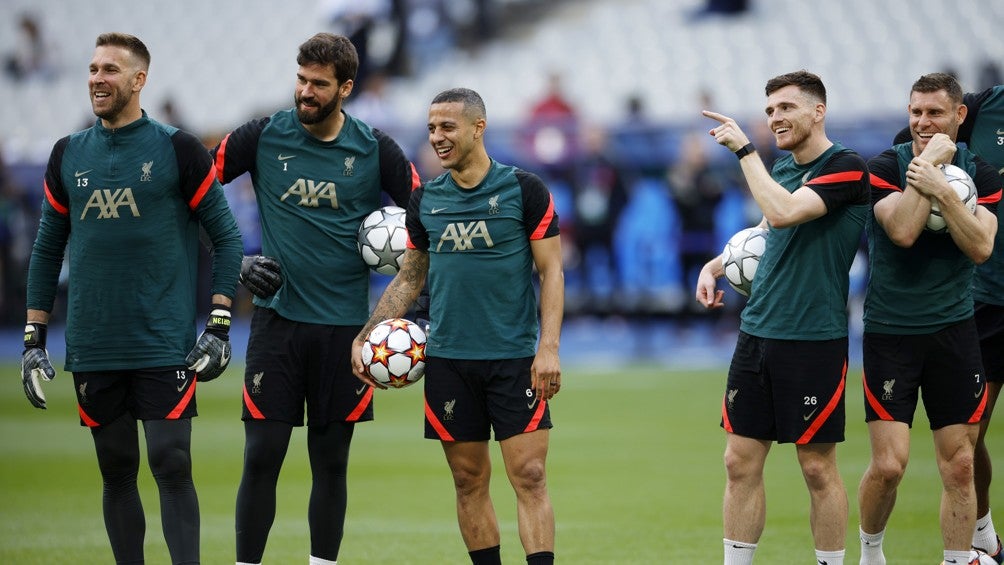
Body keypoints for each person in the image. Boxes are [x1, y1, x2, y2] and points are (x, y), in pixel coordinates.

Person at [19, 32, 243, 564]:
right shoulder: (67, 154)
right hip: (94, 343)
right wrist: (33, 336)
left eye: (110, 70)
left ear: (139, 80)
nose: (97, 78)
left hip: (164, 341)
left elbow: (228, 236)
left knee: (170, 461)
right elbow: (48, 246)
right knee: (116, 470)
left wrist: (218, 323)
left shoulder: (177, 148)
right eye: (93, 69)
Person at [211, 32, 417, 565]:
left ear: (345, 88)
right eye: (301, 79)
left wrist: (402, 307)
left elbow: (425, 217)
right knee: (262, 458)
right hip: (277, 327)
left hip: (348, 335)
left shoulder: (376, 150)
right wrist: (237, 262)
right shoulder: (260, 137)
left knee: (331, 464)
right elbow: (194, 197)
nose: (305, 91)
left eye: (318, 84)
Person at [351, 87, 564, 565]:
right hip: (448, 360)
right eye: (431, 129)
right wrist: (369, 334)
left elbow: (552, 272)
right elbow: (410, 276)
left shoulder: (524, 190)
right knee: (468, 481)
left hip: (513, 359)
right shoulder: (425, 199)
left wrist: (547, 347)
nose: (437, 138)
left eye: (447, 127)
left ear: (477, 128)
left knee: (529, 475)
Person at [696, 70, 871, 565]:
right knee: (739, 461)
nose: (776, 118)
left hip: (813, 338)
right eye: (770, 110)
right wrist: (716, 265)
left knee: (817, 467)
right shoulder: (786, 165)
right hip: (757, 333)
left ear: (818, 111)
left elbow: (787, 211)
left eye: (787, 108)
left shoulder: (846, 166)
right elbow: (768, 227)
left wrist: (744, 152)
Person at [858, 73, 1001, 565]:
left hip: (955, 332)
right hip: (890, 333)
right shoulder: (882, 166)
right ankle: (871, 552)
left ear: (959, 116)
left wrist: (941, 186)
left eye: (935, 112)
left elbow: (981, 246)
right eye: (916, 112)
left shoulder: (981, 174)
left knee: (960, 465)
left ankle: (958, 560)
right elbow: (901, 229)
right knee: (890, 466)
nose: (922, 122)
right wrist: (927, 167)